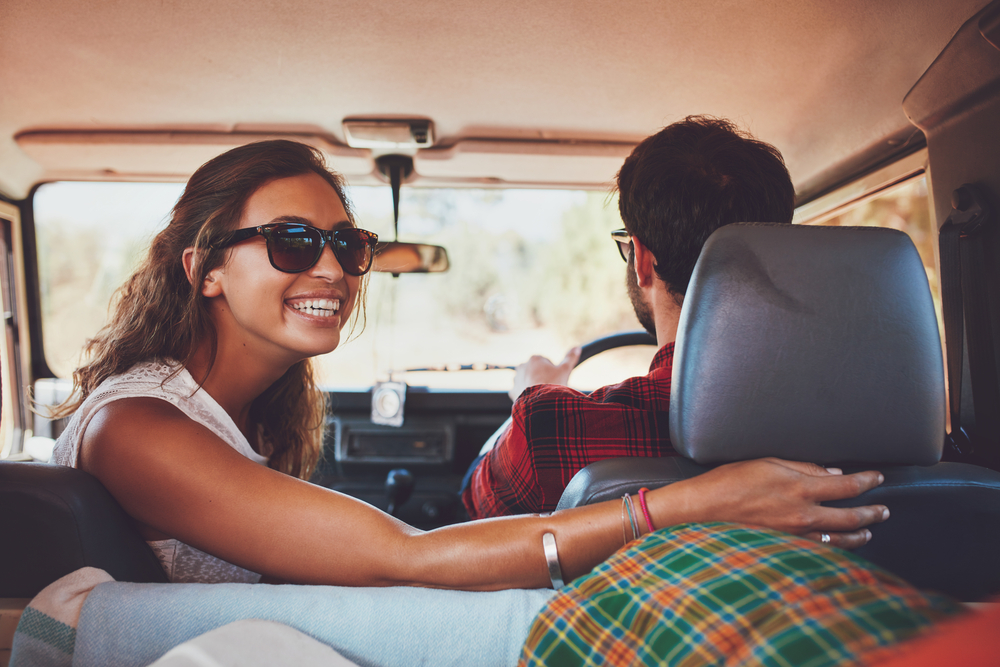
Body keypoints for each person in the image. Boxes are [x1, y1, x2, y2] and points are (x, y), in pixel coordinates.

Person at [51, 139, 887, 588]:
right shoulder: (137, 427)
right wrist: (681, 505)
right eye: (293, 241)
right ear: (203, 269)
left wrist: (537, 403)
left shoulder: (231, 420)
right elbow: (405, 556)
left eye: (347, 244)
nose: (334, 269)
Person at [463, 116, 822, 520]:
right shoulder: (854, 414)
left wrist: (528, 394)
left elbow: (477, 505)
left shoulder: (550, 427)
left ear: (643, 260)